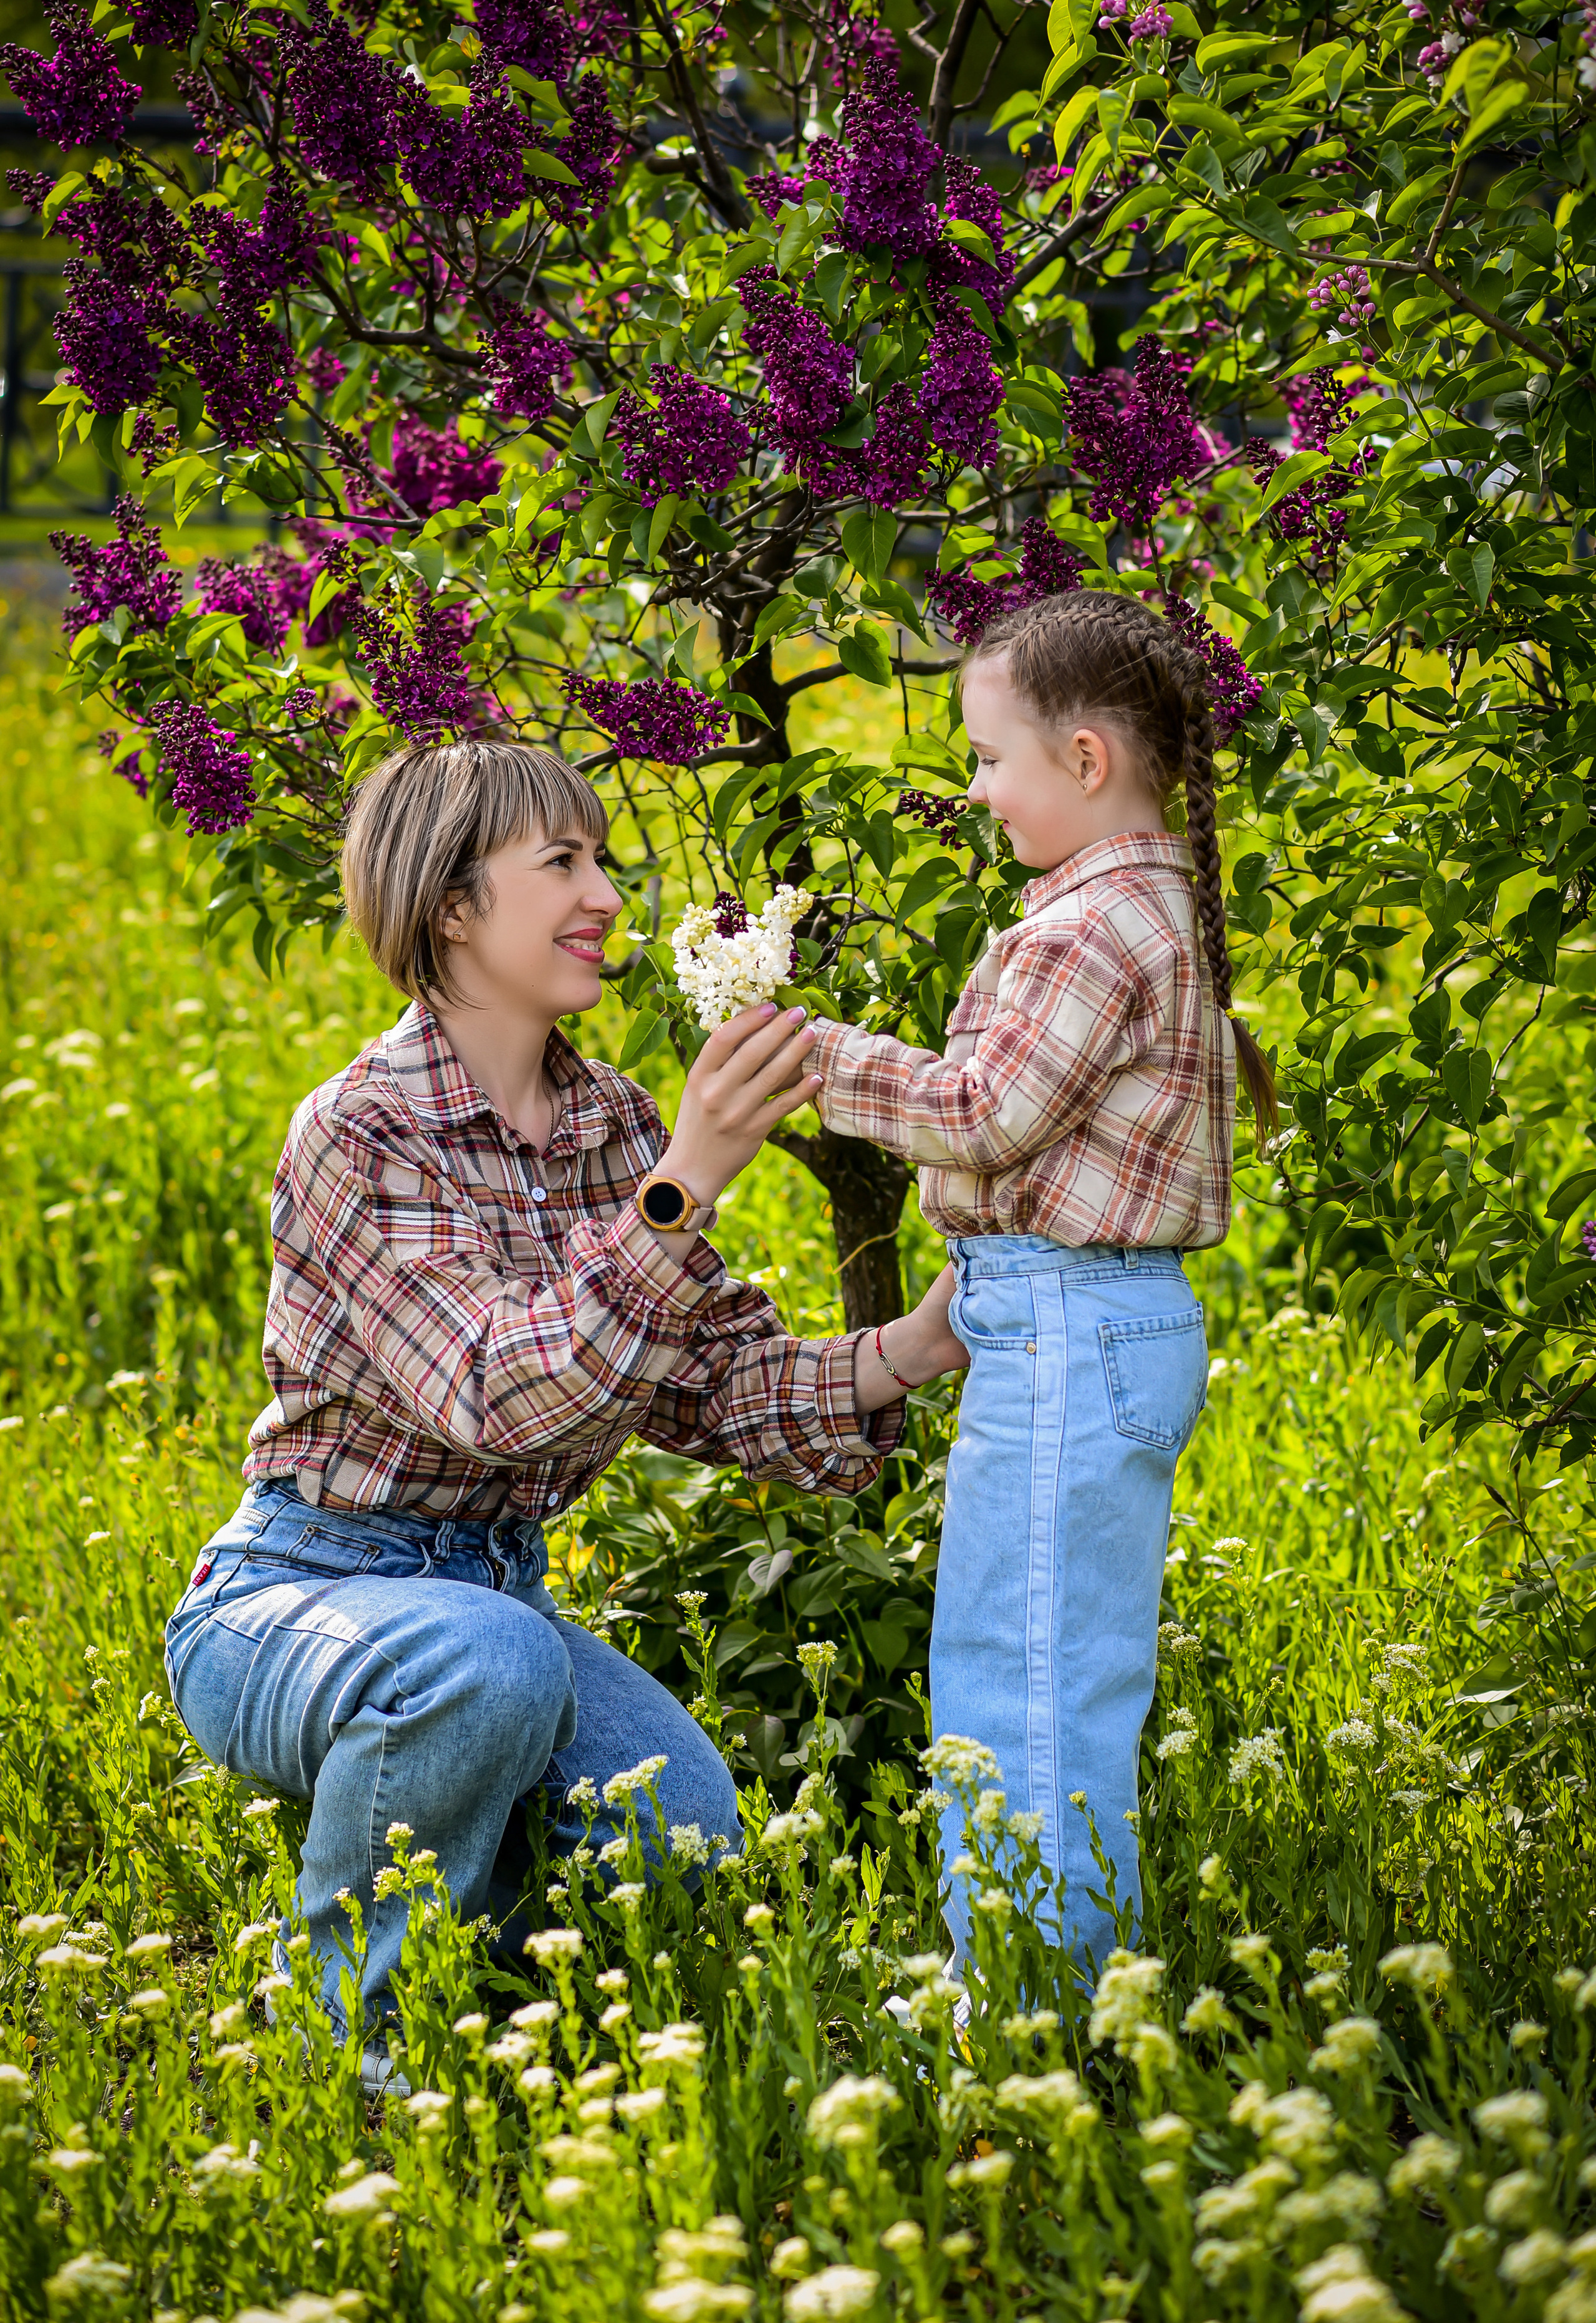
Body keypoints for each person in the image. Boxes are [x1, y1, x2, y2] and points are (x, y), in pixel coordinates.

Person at [163, 739, 966, 2086]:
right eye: (561, 863)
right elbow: (494, 1396)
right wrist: (689, 1178)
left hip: (492, 1602)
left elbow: (710, 1382)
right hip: (297, 1594)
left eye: (600, 857)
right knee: (487, 1668)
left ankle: (475, 2021)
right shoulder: (361, 1133)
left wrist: (917, 1343)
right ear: (454, 907)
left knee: (677, 1827)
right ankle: (342, 2051)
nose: (605, 892)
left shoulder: (604, 1122)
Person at [804, 588, 1275, 1977]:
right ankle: (1030, 1984)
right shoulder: (1141, 904)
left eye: (988, 759)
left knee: (1024, 1690)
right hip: (1078, 1326)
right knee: (1041, 1676)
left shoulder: (1092, 927)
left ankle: (1029, 2020)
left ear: (1083, 762)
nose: (975, 790)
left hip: (1068, 1330)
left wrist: (816, 1058)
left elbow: (981, 1113)